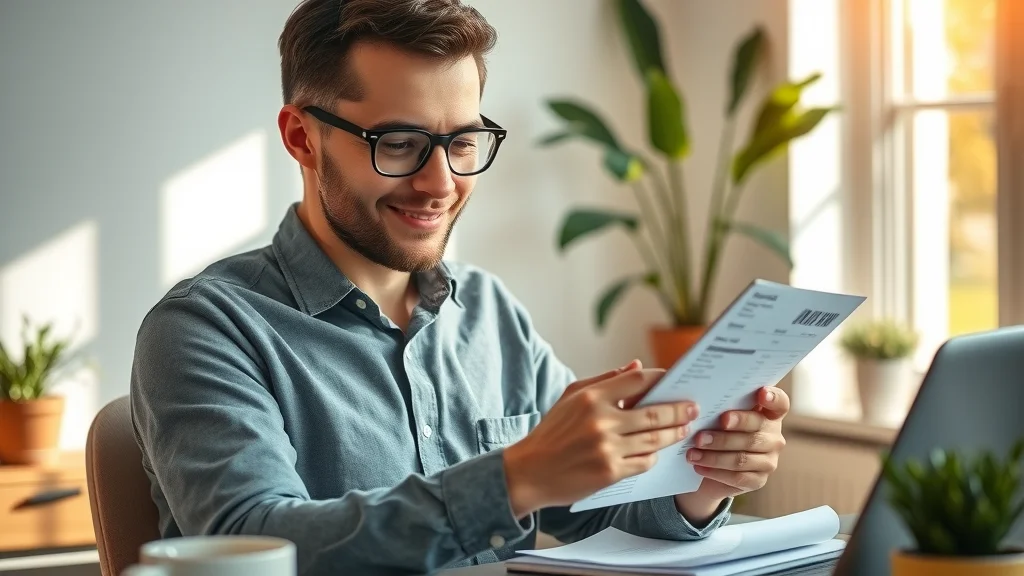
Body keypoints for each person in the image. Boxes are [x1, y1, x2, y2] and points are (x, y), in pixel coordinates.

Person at [129, 1, 791, 574]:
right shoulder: (205, 329)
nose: (441, 183)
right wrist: (517, 476)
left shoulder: (490, 314)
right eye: (399, 143)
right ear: (303, 138)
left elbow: (597, 512)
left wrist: (697, 482)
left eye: (463, 142)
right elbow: (252, 549)